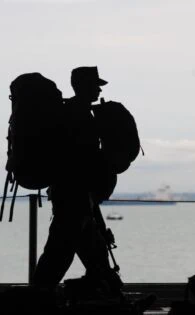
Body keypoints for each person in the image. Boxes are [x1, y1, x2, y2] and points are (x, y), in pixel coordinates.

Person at [34, 66, 122, 297]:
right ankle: (36, 298)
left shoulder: (74, 111)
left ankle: (113, 294)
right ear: (82, 86)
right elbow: (80, 159)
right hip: (75, 195)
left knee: (93, 251)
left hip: (76, 195)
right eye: (95, 85)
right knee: (59, 253)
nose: (98, 90)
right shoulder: (78, 114)